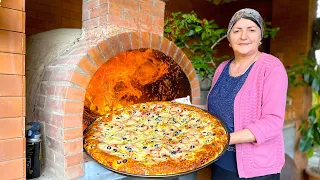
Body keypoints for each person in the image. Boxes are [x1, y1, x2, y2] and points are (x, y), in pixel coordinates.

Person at [200, 8, 288, 180]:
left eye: (251, 30)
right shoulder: (222, 68)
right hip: (220, 160)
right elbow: (216, 109)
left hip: (256, 168)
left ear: (260, 38)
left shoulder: (271, 68)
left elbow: (273, 122)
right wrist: (185, 109)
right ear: (229, 40)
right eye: (237, 30)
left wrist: (225, 139)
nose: (243, 36)